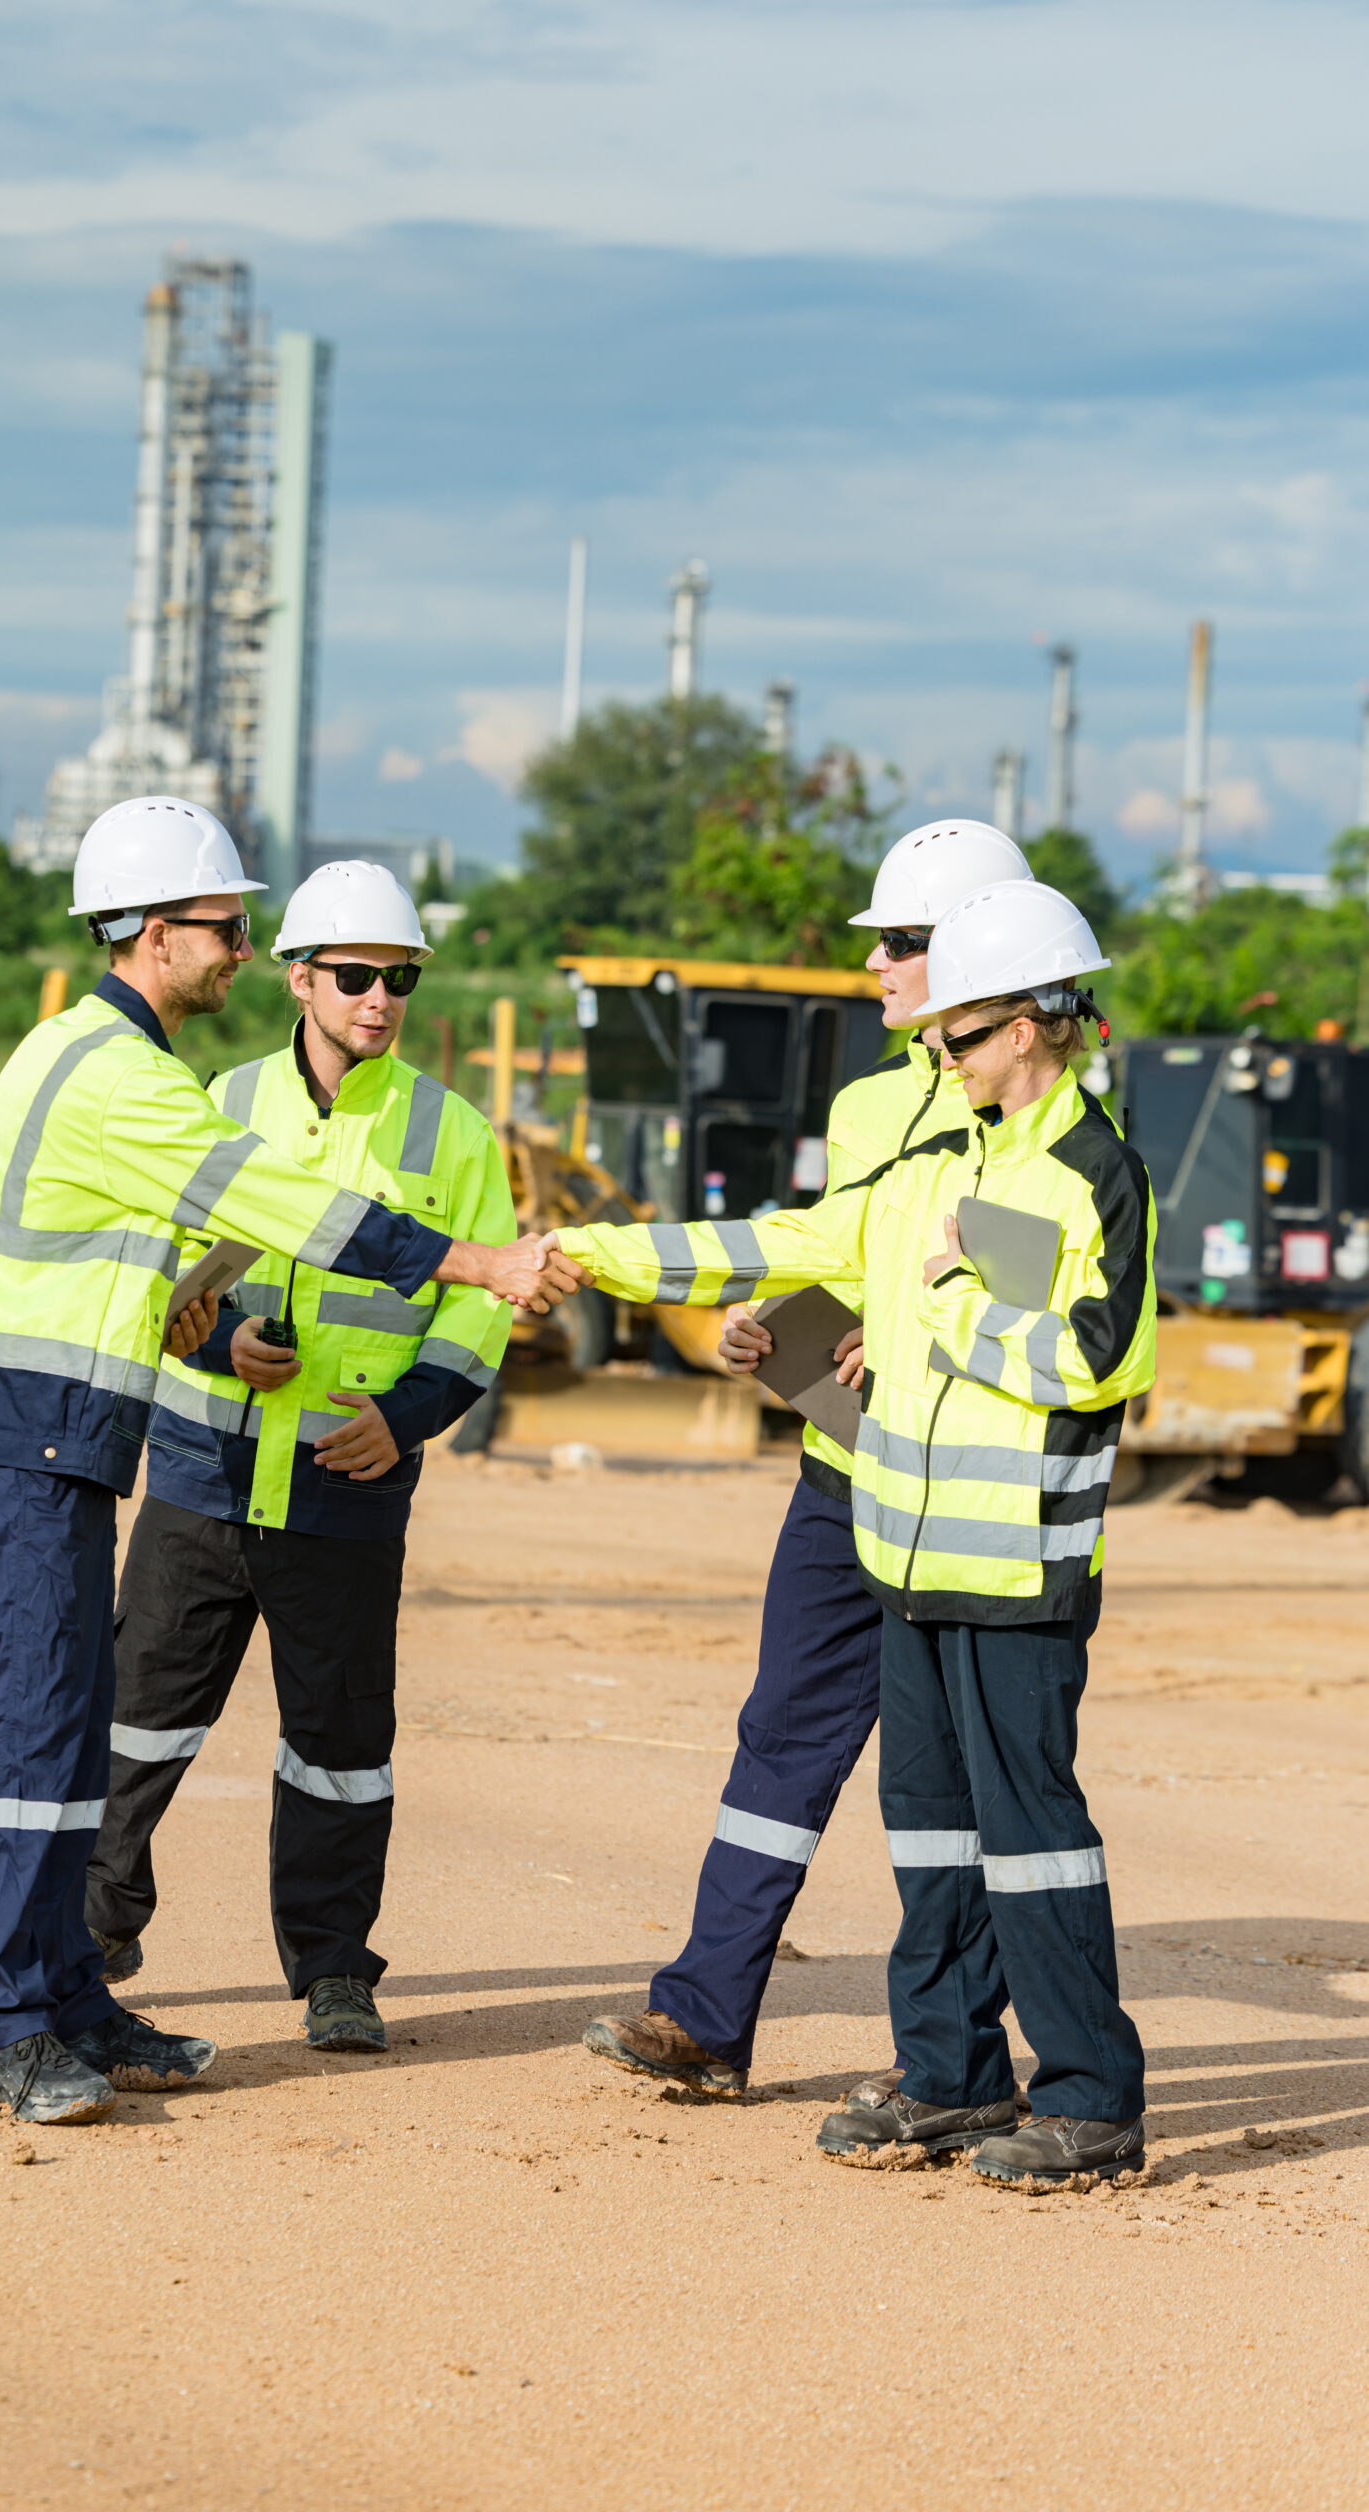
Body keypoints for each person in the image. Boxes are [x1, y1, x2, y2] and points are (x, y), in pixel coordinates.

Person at [0, 797, 582, 2127]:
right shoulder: (121, 1076)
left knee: (67, 1748)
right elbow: (284, 1206)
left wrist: (193, 1318)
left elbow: (149, 1258)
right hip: (35, 1447)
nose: (239, 946)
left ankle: (69, 2002)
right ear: (154, 930)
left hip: (76, 1444)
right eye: (227, 925)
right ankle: (6, 2032)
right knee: (37, 1745)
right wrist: (474, 1261)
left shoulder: (124, 1062)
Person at [557, 878, 1155, 2189]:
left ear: (1047, 1021)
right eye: (940, 1033)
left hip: (1018, 1574)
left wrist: (958, 1313)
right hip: (907, 1563)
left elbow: (1110, 1363)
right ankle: (947, 2079)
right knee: (929, 1831)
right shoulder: (942, 1164)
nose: (940, 1050)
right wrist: (585, 1252)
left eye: (966, 1030)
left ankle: (1095, 2096)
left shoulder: (1090, 1175)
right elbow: (774, 1235)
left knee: (1031, 1836)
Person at [579, 818, 1034, 2096]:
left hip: (965, 1501)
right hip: (843, 1481)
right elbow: (834, 1245)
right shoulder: (867, 1101)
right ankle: (706, 2019)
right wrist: (768, 1318)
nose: (878, 965)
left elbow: (1028, 1302)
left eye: (901, 943)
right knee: (781, 1734)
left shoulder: (1047, 1118)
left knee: (950, 1790)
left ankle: (950, 2066)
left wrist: (902, 1340)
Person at [83, 862, 517, 2052]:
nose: (380, 998)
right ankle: (97, 1931)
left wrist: (411, 1414)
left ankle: (334, 1970)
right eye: (357, 975)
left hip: (347, 1484)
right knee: (139, 1718)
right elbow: (157, 1268)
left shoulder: (453, 1130)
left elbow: (481, 1307)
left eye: (400, 978)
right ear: (298, 977)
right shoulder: (214, 1098)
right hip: (202, 1470)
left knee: (338, 1745)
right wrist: (224, 1340)